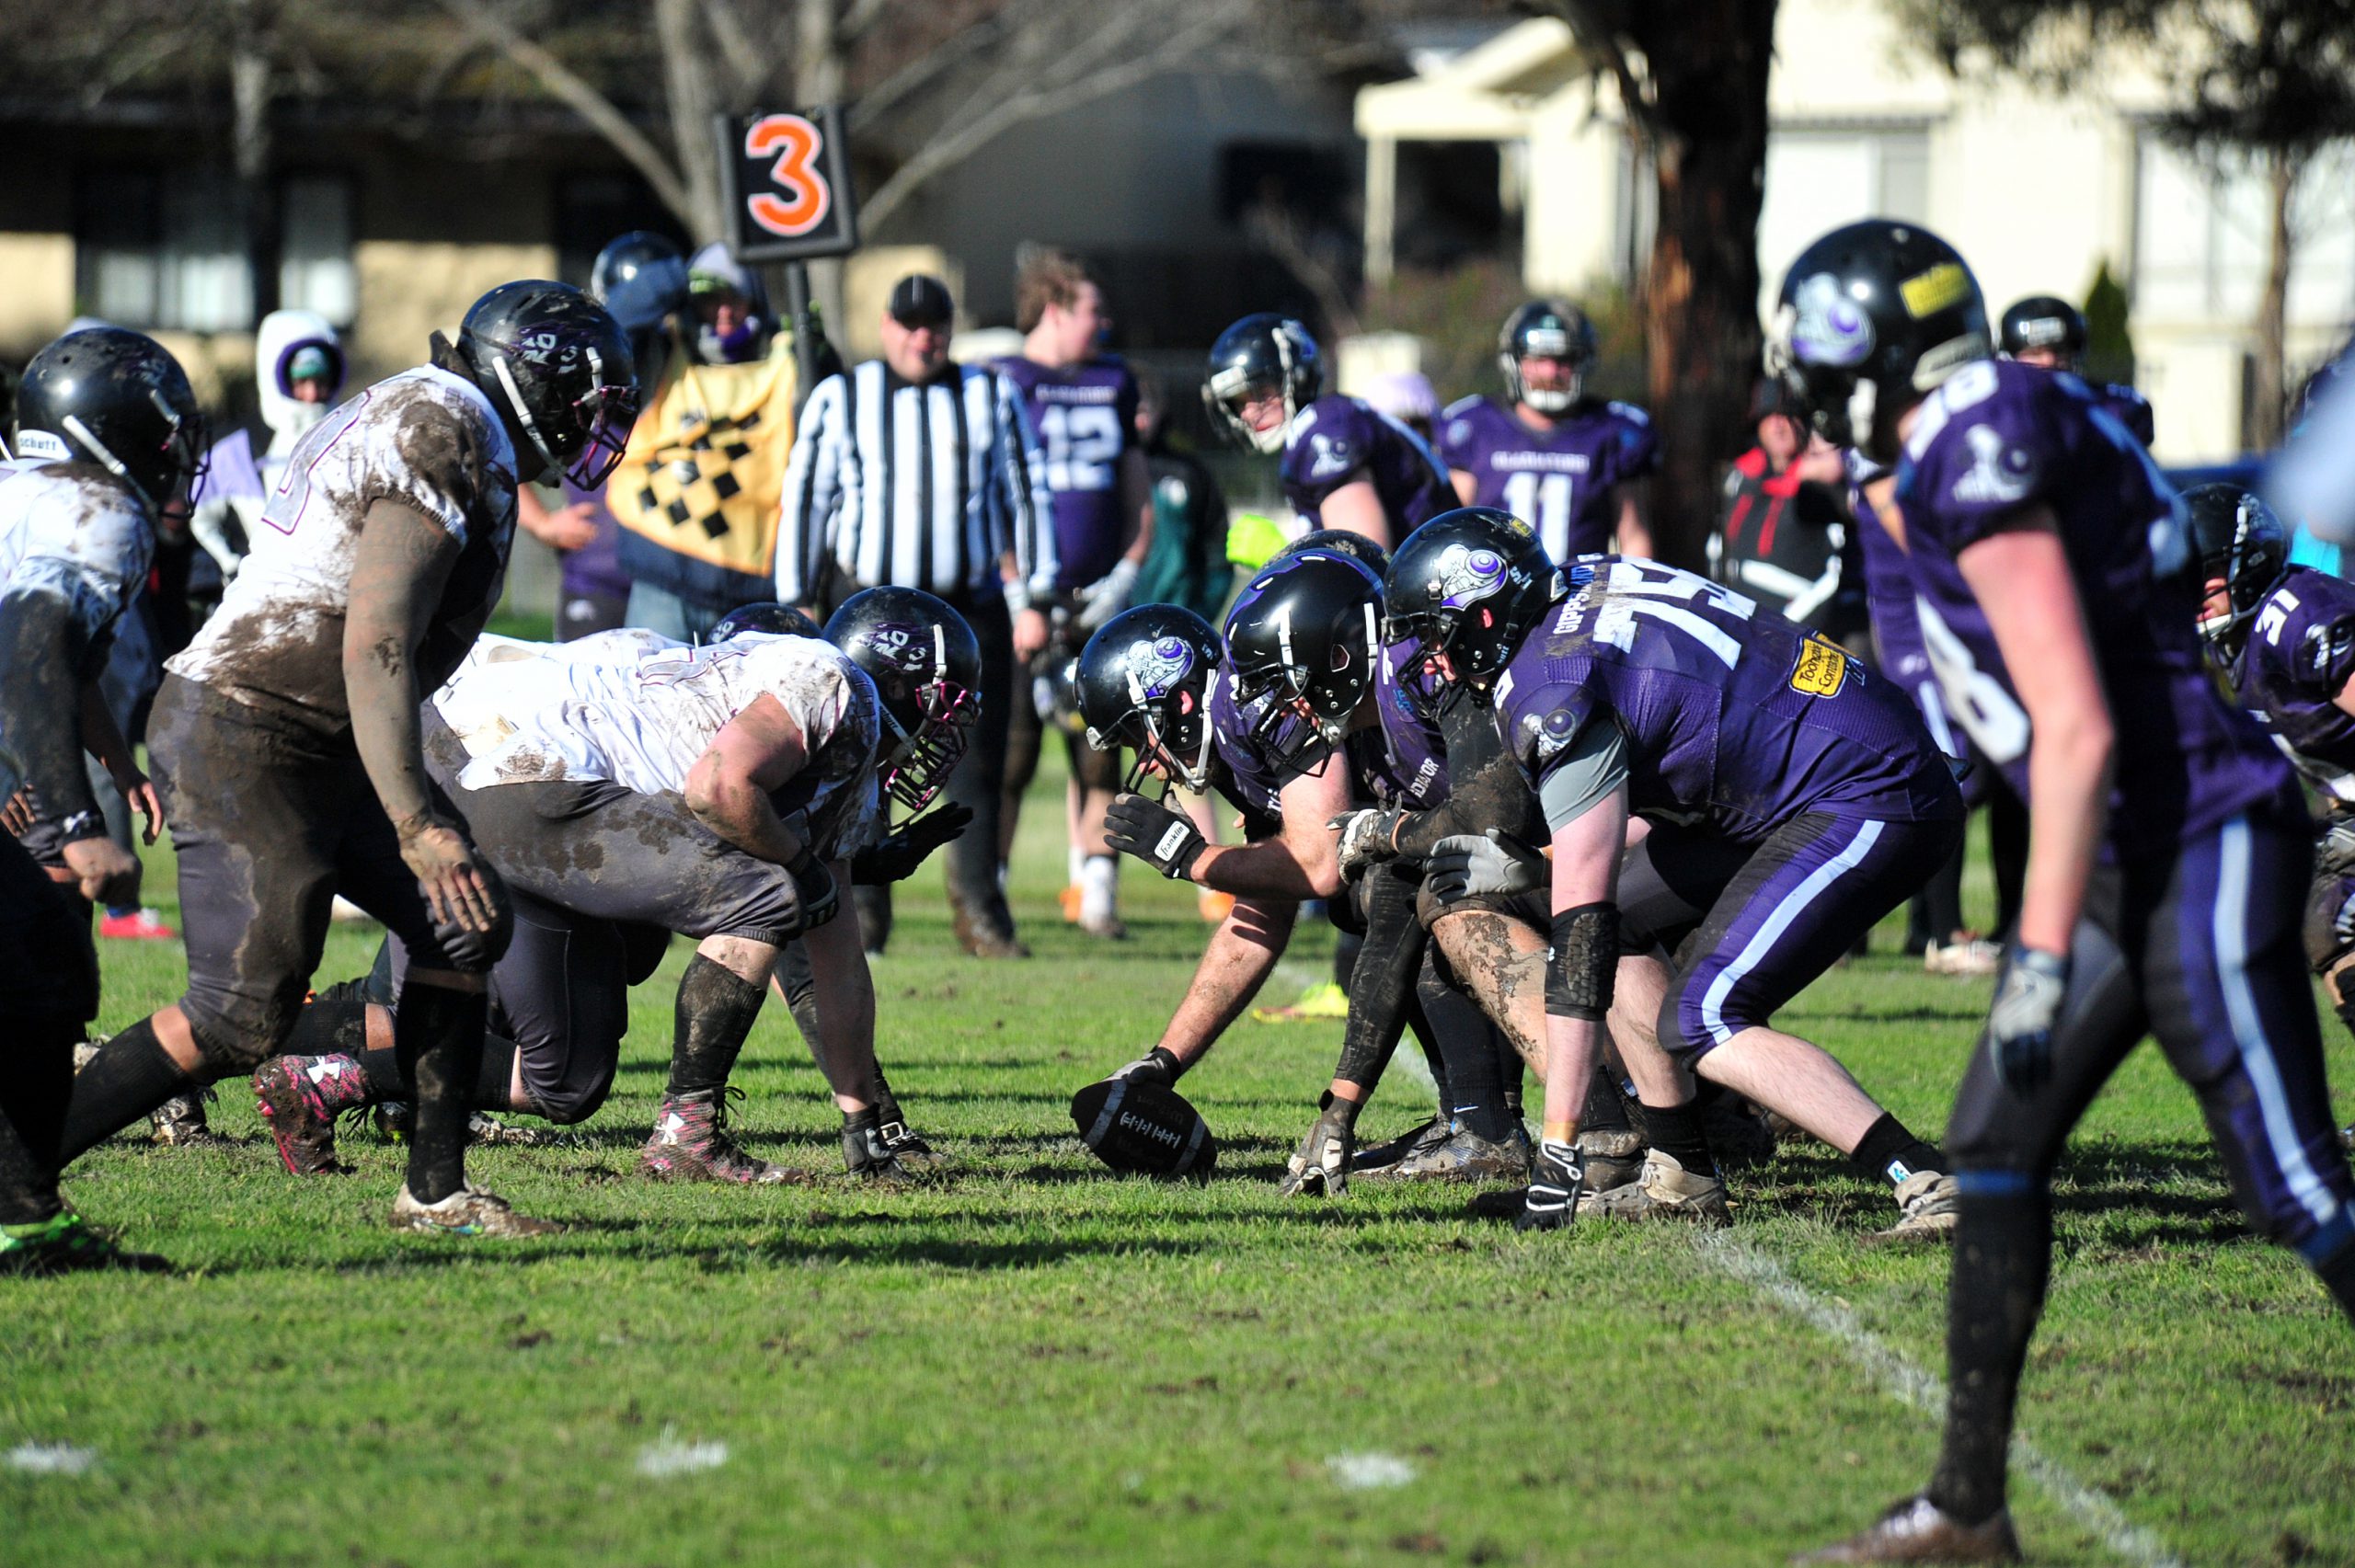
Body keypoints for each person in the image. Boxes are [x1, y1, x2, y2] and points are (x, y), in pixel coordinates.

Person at [1774, 220, 2355, 1564]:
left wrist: (2033, 959)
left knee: (2297, 1188)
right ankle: (1967, 1508)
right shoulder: (1977, 431)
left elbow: (2076, 727)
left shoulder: (1977, 442)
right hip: (2125, 853)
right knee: (1991, 1149)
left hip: (2196, 840)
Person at [57, 280, 639, 1240]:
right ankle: (18, 1172)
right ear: (529, 378)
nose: (591, 426)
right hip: (255, 726)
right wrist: (416, 820)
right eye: (585, 402)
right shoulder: (447, 427)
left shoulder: (439, 410)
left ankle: (436, 1193)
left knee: (460, 924)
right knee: (239, 1015)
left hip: (311, 727)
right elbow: (378, 638)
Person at [1381, 509, 1966, 1237]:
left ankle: (1924, 1177)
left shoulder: (1551, 686)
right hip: (1809, 769)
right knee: (1628, 917)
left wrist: (1559, 1144)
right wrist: (1544, 863)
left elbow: (1581, 940)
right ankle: (1682, 1173)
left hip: (1867, 791)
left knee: (1702, 1015)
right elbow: (1674, 755)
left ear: (1486, 614)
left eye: (1438, 637)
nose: (1435, 661)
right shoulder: (1580, 586)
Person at [254, 590, 969, 1185]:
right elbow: (721, 792)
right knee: (765, 892)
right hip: (518, 770)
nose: (944, 735)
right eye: (946, 707)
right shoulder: (834, 683)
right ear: (902, 683)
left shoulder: (725, 682)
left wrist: (869, 1120)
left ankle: (273, 1052)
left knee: (567, 1079)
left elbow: (831, 959)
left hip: (459, 745)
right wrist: (803, 868)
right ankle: (689, 1133)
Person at [1072, 551, 1511, 1188]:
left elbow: (1319, 862)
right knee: (1379, 891)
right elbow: (1260, 913)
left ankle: (1484, 1119)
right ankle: (1471, 1114)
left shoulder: (1256, 707)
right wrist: (1164, 1061)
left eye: (1142, 737)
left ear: (1180, 701)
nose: (1151, 761)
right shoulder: (1235, 734)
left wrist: (1194, 859)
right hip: (1467, 837)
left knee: (1382, 888)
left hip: (1498, 835)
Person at [776, 271, 1057, 959]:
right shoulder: (843, 397)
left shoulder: (990, 393)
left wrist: (1035, 596)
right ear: (885, 327)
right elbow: (807, 492)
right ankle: (864, 911)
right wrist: (797, 595)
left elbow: (1027, 492)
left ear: (951, 330)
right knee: (858, 762)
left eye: (934, 325)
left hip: (965, 608)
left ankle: (981, 913)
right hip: (868, 611)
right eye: (909, 325)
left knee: (976, 763)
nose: (922, 338)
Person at [0, 327, 200, 1273]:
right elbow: (28, 657)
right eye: (162, 431)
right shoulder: (96, 509)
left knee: (43, 967)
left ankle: (25, 1218)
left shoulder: (35, 494)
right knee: (41, 968)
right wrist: (76, 824)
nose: (175, 451)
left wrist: (118, 764)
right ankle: (25, 1221)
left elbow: (63, 665)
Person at [2179, 483, 2355, 1151]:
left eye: (2204, 576)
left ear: (2246, 562)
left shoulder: (2298, 617)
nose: (2192, 592)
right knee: (2325, 929)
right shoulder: (2241, 636)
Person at [994, 249, 1151, 940]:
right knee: (1012, 754)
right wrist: (1013, 590)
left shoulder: (1113, 379)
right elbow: (988, 492)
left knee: (1101, 747)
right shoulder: (1003, 378)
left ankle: (1097, 894)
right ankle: (991, 896)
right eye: (1092, 309)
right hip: (1025, 600)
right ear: (1054, 309)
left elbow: (1135, 485)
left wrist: (1126, 572)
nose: (1103, 323)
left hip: (1097, 597)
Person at [595, 233, 806, 643]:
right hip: (665, 579)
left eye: (735, 299)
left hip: (752, 589)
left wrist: (820, 355)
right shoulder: (660, 355)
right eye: (711, 299)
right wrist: (682, 276)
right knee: (653, 684)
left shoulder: (785, 361)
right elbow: (611, 327)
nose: (723, 313)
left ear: (755, 303)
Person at [1201, 314, 1452, 549]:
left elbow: (1360, 556)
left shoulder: (1322, 428)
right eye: (1239, 403)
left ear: (1298, 377)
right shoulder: (1328, 419)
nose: (1249, 413)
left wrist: (1279, 557)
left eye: (1261, 394)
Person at [1437, 300, 1657, 562]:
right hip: (1496, 583)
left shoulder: (1611, 430)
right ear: (1514, 362)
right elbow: (1450, 528)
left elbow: (1633, 535)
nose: (1551, 372)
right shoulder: (1475, 426)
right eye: (1538, 359)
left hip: (1582, 583)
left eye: (1563, 360)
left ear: (1583, 362)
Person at [1996, 292, 2154, 448]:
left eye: (2059, 350)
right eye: (2034, 353)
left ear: (2076, 352)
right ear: (2008, 357)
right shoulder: (1996, 411)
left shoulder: (2114, 405)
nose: (2049, 361)